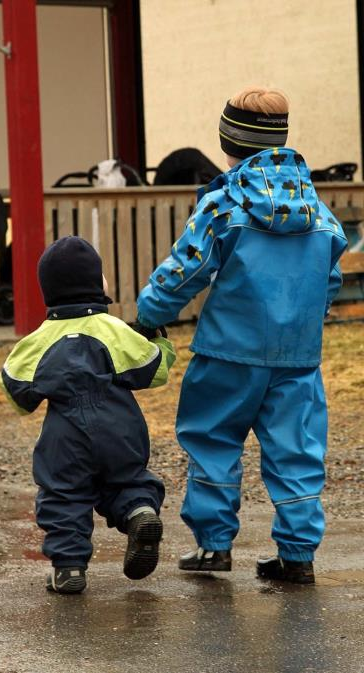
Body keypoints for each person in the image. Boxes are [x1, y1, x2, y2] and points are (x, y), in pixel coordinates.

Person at [136, 87, 348, 584]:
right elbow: (331, 275)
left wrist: (150, 314)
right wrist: (306, 317)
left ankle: (214, 548)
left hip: (227, 351)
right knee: (296, 450)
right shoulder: (317, 210)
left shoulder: (225, 203)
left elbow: (186, 269)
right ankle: (298, 556)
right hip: (297, 356)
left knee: (212, 440)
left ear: (229, 143)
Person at [0, 236, 176, 593]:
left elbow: (15, 387)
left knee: (63, 497)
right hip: (121, 430)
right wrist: (160, 343)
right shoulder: (115, 331)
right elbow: (155, 372)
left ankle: (69, 568)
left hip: (64, 440)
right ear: (99, 284)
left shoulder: (39, 340)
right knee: (127, 481)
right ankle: (139, 512)